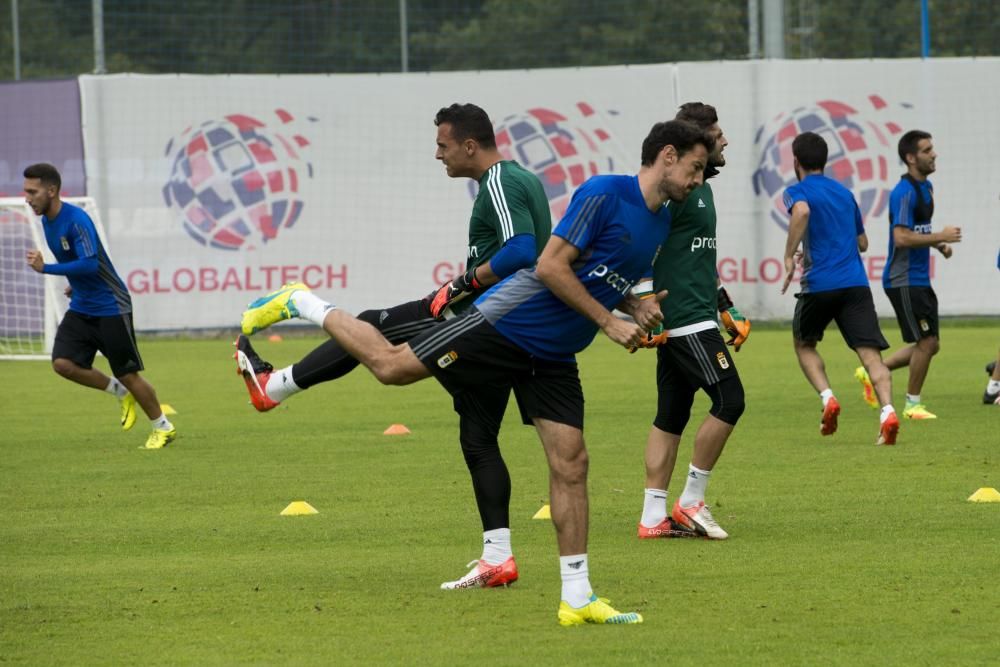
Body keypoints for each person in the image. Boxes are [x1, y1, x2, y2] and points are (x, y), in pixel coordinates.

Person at [240, 119, 713, 625]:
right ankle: (303, 300)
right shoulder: (604, 193)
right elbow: (550, 266)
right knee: (391, 367)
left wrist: (635, 305)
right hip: (506, 322)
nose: (698, 180)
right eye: (695, 167)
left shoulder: (662, 219)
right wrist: (608, 323)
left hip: (553, 353)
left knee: (571, 463)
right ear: (667, 155)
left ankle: (577, 598)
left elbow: (598, 272)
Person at [237, 103, 551, 590]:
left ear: (470, 146)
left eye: (443, 145)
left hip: (480, 321)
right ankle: (498, 557)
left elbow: (522, 251)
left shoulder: (500, 182)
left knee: (372, 337)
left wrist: (463, 283)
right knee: (479, 439)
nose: (437, 154)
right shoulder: (523, 180)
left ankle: (284, 355)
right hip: (502, 324)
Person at [632, 103, 748, 541]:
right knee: (730, 399)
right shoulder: (676, 191)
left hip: (698, 316)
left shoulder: (702, 188)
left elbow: (697, 259)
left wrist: (725, 307)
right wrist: (646, 306)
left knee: (670, 417)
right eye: (717, 133)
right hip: (681, 320)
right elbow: (645, 249)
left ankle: (652, 516)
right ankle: (692, 500)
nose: (724, 140)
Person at [22, 163, 176, 449]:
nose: (27, 198)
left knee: (128, 373)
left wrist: (46, 269)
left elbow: (90, 263)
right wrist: (76, 283)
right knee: (63, 364)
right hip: (82, 304)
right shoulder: (47, 221)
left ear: (51, 190)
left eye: (33, 191)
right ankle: (120, 393)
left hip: (110, 305)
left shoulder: (76, 219)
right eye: (26, 191)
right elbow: (77, 262)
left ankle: (162, 427)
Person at [779, 133, 899, 445]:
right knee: (870, 355)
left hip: (819, 284)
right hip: (855, 284)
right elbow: (862, 242)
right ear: (825, 160)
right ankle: (888, 411)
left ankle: (828, 398)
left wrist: (789, 255)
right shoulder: (845, 194)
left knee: (804, 344)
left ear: (796, 161)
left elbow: (802, 212)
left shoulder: (797, 191)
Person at [854, 130, 961, 420]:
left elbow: (918, 229)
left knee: (931, 344)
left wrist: (938, 244)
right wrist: (941, 235)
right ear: (911, 158)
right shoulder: (903, 192)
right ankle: (912, 405)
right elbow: (901, 237)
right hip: (903, 279)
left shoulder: (927, 187)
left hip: (918, 277)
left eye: (932, 148)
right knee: (927, 343)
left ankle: (873, 370)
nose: (933, 154)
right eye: (927, 150)